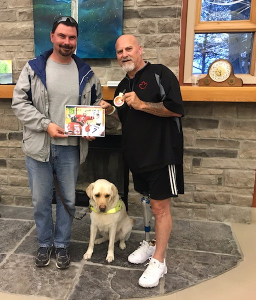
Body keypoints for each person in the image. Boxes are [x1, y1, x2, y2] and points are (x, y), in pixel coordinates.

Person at [12, 16, 102, 270]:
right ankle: (44, 243)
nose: (66, 41)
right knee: (41, 200)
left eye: (71, 37)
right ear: (52, 36)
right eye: (62, 36)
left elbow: (96, 105)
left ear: (76, 40)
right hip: (39, 146)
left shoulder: (87, 73)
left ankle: (62, 245)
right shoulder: (32, 69)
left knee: (68, 201)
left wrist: (93, 124)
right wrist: (45, 125)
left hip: (70, 149)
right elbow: (19, 104)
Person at [100, 35, 184, 288]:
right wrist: (110, 110)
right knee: (146, 202)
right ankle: (150, 245)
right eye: (119, 51)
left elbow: (176, 108)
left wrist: (142, 104)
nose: (124, 54)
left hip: (161, 153)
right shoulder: (123, 85)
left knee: (160, 208)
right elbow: (125, 117)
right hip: (137, 155)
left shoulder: (160, 73)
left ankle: (159, 260)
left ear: (139, 50)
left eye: (128, 49)